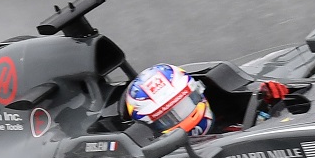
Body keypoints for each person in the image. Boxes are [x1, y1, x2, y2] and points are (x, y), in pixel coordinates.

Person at [123, 63, 288, 136]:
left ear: (198, 92)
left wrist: (268, 103)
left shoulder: (228, 113)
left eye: (184, 105)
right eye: (167, 118)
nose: (183, 118)